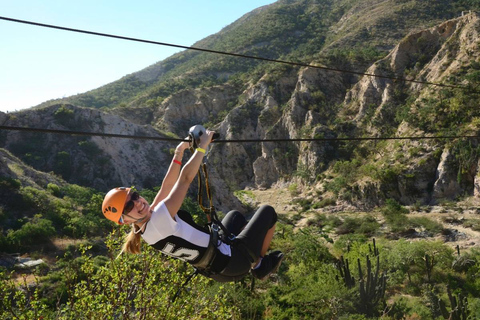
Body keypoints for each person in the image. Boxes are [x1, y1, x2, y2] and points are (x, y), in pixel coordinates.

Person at [102, 129, 283, 282]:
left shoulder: (146, 225)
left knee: (235, 216)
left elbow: (167, 186)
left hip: (217, 269)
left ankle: (249, 255)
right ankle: (259, 265)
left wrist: (179, 152)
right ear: (125, 221)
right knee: (268, 212)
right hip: (232, 263)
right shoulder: (158, 220)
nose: (137, 203)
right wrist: (202, 146)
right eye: (128, 208)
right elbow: (185, 180)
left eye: (134, 196)